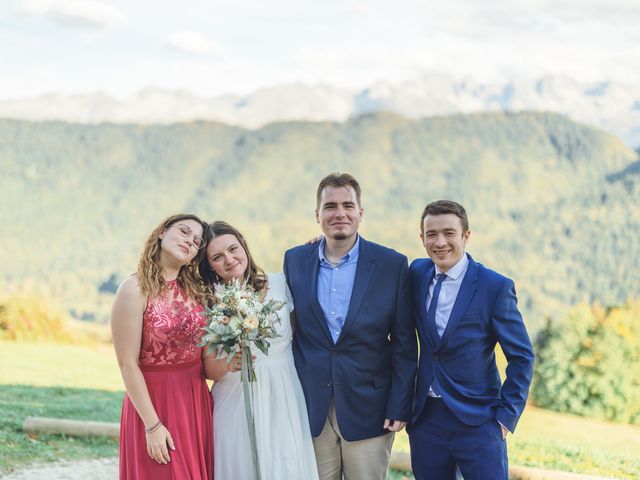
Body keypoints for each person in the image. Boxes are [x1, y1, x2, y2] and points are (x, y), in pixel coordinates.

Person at [283, 173, 417, 480]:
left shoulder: (391, 265)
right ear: (317, 215)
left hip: (371, 408)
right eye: (330, 206)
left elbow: (404, 343)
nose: (339, 212)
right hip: (311, 407)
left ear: (360, 213)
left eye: (348, 205)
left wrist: (399, 404)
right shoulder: (295, 260)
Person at [408, 200, 535, 480]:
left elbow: (522, 356)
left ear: (466, 236)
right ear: (422, 239)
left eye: (449, 233)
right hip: (426, 420)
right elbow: (374, 267)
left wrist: (505, 418)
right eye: (432, 234)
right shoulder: (416, 274)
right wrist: (325, 242)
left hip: (480, 422)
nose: (440, 242)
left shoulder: (495, 287)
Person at [200, 221, 319, 480]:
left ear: (243, 245)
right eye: (218, 257)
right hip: (234, 397)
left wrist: (320, 245)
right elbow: (209, 368)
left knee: (285, 464)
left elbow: (303, 331)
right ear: (210, 265)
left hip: (283, 392)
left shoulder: (280, 284)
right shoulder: (210, 302)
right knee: (240, 465)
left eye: (233, 249)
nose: (229, 260)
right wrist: (230, 364)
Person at [111, 214, 213, 480]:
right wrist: (152, 425)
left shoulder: (196, 290)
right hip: (153, 403)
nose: (190, 241)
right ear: (161, 232)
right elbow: (126, 364)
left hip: (195, 399)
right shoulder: (133, 289)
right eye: (184, 231)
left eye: (196, 241)